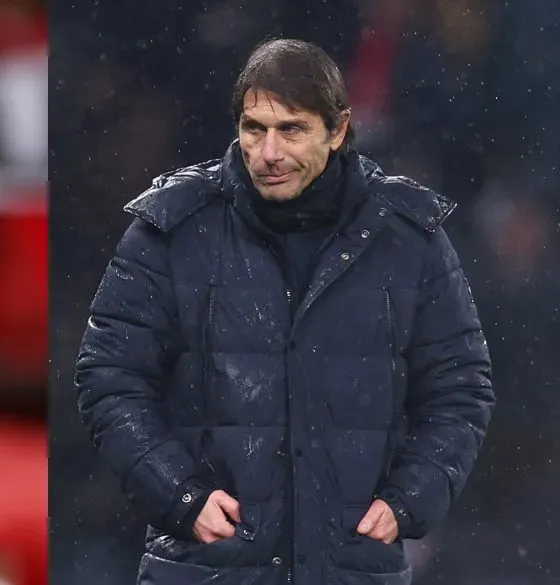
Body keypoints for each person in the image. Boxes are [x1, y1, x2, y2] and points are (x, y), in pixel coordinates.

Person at [74, 38, 494, 585]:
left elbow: (460, 389)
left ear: (338, 130)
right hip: (207, 569)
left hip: (351, 568)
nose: (268, 152)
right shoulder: (172, 231)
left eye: (291, 130)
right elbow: (109, 378)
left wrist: (409, 500)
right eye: (254, 129)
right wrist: (180, 495)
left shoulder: (408, 238)